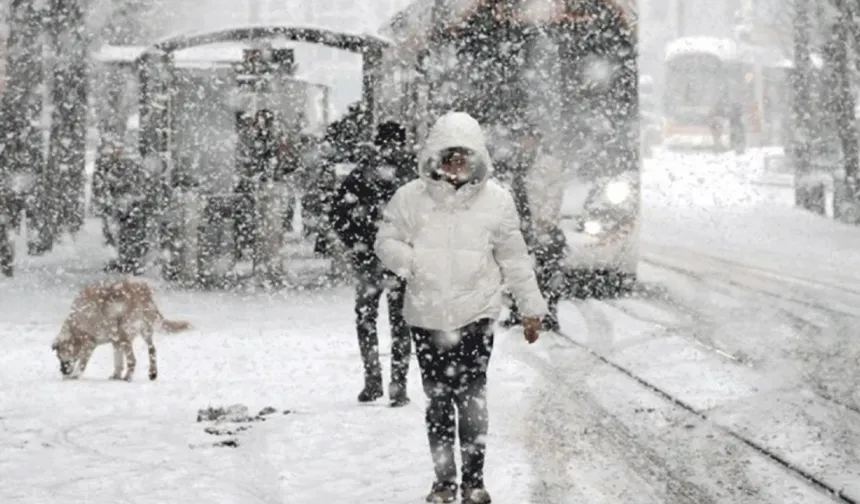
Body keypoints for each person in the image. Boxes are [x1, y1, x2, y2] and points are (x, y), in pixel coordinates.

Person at [375, 111, 546, 504]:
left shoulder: (497, 201)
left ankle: (474, 481)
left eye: (463, 158)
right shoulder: (410, 198)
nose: (456, 166)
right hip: (427, 316)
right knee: (438, 401)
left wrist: (531, 308)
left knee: (471, 400)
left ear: (477, 159)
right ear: (435, 158)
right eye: (449, 157)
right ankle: (443, 482)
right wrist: (411, 263)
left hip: (476, 316)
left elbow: (514, 258)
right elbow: (386, 241)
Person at [330, 121, 416, 407]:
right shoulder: (410, 177)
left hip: (371, 258)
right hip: (397, 259)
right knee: (399, 322)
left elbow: (338, 213)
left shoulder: (363, 174)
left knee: (369, 319)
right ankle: (396, 385)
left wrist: (356, 241)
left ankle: (374, 381)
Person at [501, 122, 567, 332]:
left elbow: (555, 192)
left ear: (537, 141)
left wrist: (546, 218)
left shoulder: (549, 164)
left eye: (529, 138)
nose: (525, 143)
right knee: (518, 271)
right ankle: (517, 311)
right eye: (522, 139)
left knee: (548, 270)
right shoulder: (513, 162)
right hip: (518, 224)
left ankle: (550, 312)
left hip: (542, 224)